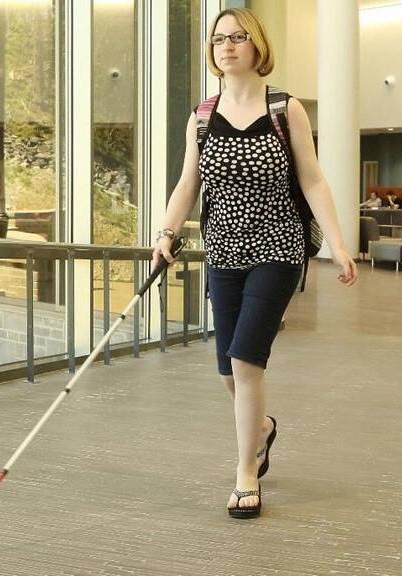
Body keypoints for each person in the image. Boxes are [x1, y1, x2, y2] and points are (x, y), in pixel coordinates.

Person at [151, 7, 358, 519]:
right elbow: (187, 184)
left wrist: (337, 243)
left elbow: (312, 179)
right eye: (220, 38)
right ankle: (262, 429)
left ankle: (246, 475)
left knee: (246, 361)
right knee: (228, 369)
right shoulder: (201, 116)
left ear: (257, 46)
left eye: (239, 37)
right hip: (223, 251)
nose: (228, 45)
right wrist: (165, 234)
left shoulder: (285, 109)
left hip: (277, 248)